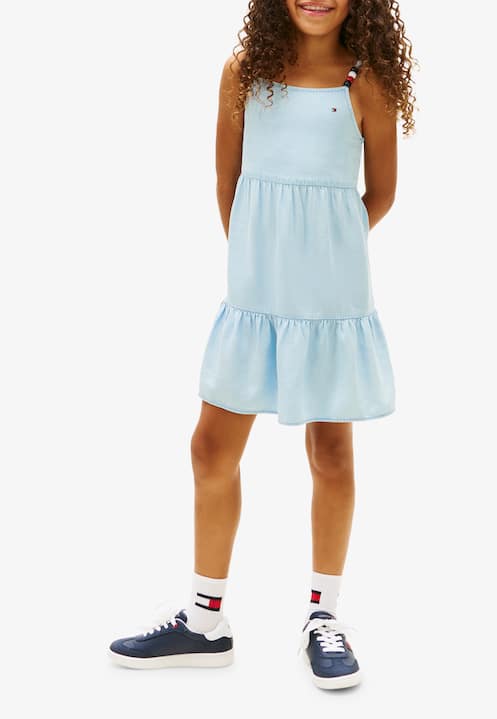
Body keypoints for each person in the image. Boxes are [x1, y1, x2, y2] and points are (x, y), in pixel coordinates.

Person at [109, 0, 417, 690]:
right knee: (210, 448)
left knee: (330, 453)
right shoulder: (245, 73)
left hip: (330, 301)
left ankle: (323, 616)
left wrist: (321, 255)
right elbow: (228, 181)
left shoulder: (365, 82)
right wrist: (260, 260)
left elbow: (381, 194)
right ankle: (204, 620)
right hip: (255, 297)